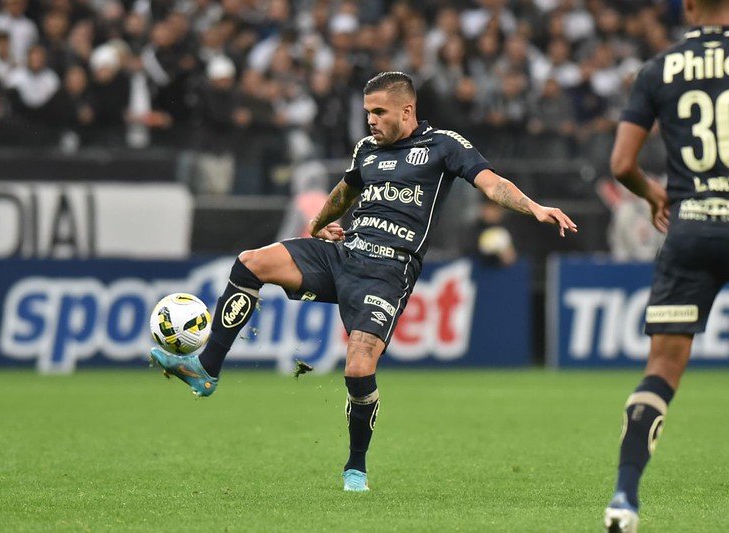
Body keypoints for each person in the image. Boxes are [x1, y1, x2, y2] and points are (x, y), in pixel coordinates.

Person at [149, 71, 577, 492]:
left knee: (358, 366)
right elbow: (345, 191)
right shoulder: (367, 150)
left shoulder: (443, 145)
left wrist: (534, 208)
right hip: (343, 253)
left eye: (379, 112)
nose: (371, 120)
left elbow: (492, 184)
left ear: (407, 110)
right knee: (251, 263)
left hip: (387, 271)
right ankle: (207, 369)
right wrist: (318, 224)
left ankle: (356, 466)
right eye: (367, 112)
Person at [603, 1, 729, 531]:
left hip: (691, 227)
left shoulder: (658, 69)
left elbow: (621, 164)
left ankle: (624, 499)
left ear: (689, 6)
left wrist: (655, 194)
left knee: (661, 370)